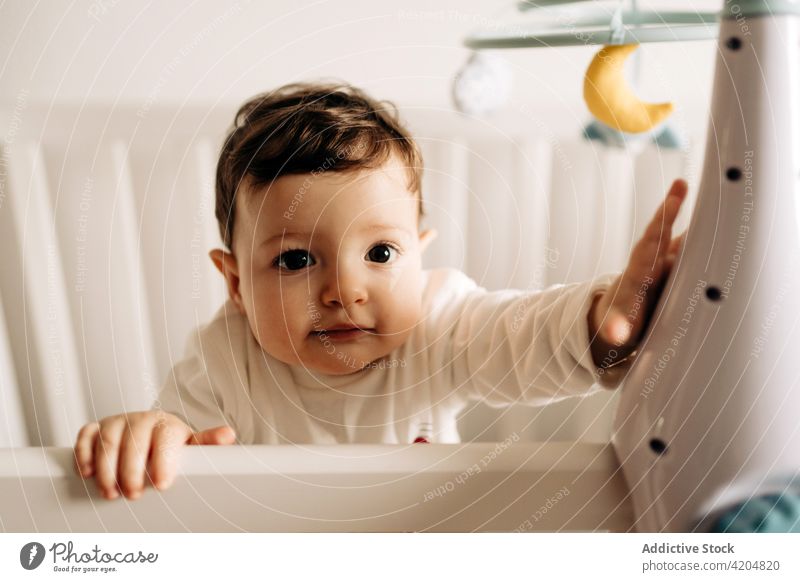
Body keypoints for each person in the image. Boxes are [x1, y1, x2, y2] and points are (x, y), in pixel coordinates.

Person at [73, 82, 687, 501]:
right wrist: (150, 436)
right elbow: (178, 450)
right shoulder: (221, 359)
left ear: (419, 255)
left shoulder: (436, 327)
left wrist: (603, 319)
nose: (343, 291)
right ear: (235, 283)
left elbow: (520, 334)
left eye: (380, 254)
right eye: (294, 259)